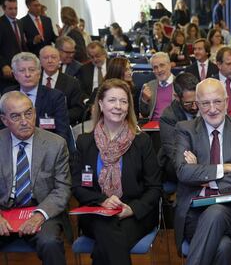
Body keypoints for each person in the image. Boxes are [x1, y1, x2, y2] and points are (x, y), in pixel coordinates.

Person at [72, 78, 162, 265]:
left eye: (123, 101)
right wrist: (103, 201)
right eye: (112, 100)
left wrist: (132, 209)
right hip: (97, 212)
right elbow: (78, 187)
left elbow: (154, 187)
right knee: (109, 231)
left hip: (136, 213)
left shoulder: (142, 141)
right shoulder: (84, 142)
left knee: (108, 242)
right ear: (101, 104)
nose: (118, 106)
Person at [174, 78, 231, 265]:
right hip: (195, 211)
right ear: (197, 104)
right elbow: (183, 172)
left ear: (227, 101)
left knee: (216, 212)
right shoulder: (185, 130)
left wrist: (203, 175)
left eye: (217, 101)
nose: (212, 109)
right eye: (205, 103)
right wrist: (225, 168)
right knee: (222, 246)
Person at [0, 91, 71, 265]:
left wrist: (40, 215)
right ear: (4, 120)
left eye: (28, 113)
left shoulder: (56, 144)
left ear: (35, 112)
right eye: (16, 116)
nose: (24, 121)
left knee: (50, 243)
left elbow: (62, 188)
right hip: (3, 211)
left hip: (41, 208)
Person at [3, 52, 70, 145]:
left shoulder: (55, 96)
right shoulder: (7, 95)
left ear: (39, 73)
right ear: (14, 75)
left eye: (31, 70)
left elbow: (62, 132)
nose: (27, 74)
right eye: (22, 70)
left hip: (46, 147)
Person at [159, 72, 199, 183]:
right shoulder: (168, 116)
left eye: (197, 101)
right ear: (176, 97)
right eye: (188, 103)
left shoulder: (205, 107)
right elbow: (175, 154)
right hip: (177, 164)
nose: (195, 107)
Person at [39, 45, 83, 125]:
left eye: (53, 57)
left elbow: (78, 110)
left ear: (59, 60)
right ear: (40, 61)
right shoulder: (33, 80)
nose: (50, 61)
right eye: (45, 58)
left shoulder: (72, 82)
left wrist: (56, 120)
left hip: (62, 126)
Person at [0, 0, 28, 92]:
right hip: (6, 71)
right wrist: (3, 65)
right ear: (3, 8)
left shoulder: (20, 23)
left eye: (16, 8)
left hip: (20, 69)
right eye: (10, 9)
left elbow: (22, 46)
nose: (14, 11)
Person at [139, 52, 175, 121]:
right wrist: (145, 100)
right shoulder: (149, 86)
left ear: (169, 65)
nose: (159, 70)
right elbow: (144, 114)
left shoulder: (180, 83)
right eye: (155, 67)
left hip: (174, 126)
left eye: (162, 65)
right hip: (154, 128)